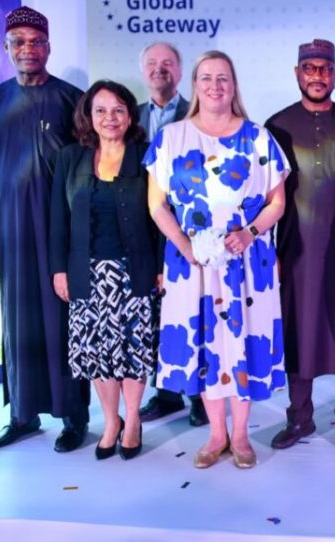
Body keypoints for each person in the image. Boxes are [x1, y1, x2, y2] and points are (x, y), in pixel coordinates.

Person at [144, 50, 289, 469]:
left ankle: (240, 436)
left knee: (241, 346)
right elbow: (156, 205)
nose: (214, 85)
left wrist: (250, 233)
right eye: (206, 77)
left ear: (234, 85)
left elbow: (277, 202)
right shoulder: (170, 138)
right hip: (192, 265)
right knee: (206, 346)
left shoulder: (258, 137)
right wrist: (184, 245)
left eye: (223, 78)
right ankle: (216, 435)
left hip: (246, 262)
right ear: (194, 85)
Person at [0, 6, 90, 452]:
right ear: (6, 48)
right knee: (18, 323)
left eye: (36, 42)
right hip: (11, 234)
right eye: (18, 42)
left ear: (49, 47)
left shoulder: (72, 100)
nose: (28, 49)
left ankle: (74, 415)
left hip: (61, 232)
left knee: (64, 321)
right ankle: (23, 414)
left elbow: (88, 172)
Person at [50, 80, 160, 460]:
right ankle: (111, 421)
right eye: (100, 110)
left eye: (117, 110)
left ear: (130, 115)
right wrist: (59, 269)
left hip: (135, 270)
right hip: (85, 272)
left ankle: (133, 420)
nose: (109, 118)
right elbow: (58, 220)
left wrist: (161, 267)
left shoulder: (146, 155)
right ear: (89, 116)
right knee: (97, 354)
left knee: (133, 350)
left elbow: (162, 215)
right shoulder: (70, 158)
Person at [265, 39, 335, 453]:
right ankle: (300, 418)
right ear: (297, 73)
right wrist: (269, 252)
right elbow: (264, 197)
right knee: (299, 332)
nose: (317, 76)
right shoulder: (276, 126)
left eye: (325, 68)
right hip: (297, 249)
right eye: (310, 68)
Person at [135, 41, 206, 427]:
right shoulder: (128, 117)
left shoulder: (198, 115)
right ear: (142, 71)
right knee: (153, 318)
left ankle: (197, 395)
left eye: (167, 63)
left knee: (189, 314)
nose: (159, 69)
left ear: (180, 72)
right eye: (151, 63)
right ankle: (165, 394)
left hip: (183, 233)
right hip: (140, 231)